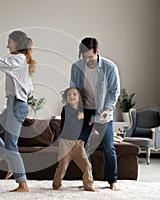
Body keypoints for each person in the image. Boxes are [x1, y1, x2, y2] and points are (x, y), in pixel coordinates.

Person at [0, 30, 35, 192]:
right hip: (13, 104)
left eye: (9, 42)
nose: (7, 45)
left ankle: (22, 184)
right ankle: (10, 161)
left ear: (16, 43)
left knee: (11, 145)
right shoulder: (21, 59)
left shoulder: (18, 59)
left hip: (17, 105)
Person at [70, 37, 120, 191]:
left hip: (103, 111)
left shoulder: (110, 67)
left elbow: (114, 91)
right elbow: (74, 90)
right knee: (81, 146)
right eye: (84, 57)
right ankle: (88, 180)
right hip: (85, 111)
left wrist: (108, 109)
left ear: (97, 52)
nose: (87, 60)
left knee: (108, 147)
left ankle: (113, 181)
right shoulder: (77, 67)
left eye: (90, 57)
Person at [52, 87, 97, 192]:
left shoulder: (82, 110)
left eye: (74, 94)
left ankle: (88, 185)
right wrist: (79, 118)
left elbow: (86, 122)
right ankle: (56, 185)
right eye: (69, 95)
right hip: (65, 142)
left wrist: (88, 121)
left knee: (86, 165)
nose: (71, 96)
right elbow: (68, 124)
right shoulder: (66, 109)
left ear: (80, 97)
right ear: (66, 98)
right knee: (62, 166)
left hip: (78, 143)